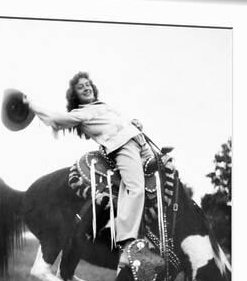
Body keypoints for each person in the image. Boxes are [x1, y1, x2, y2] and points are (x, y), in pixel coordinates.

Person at [26, 71, 153, 267]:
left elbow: (118, 124)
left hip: (142, 145)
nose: (86, 87)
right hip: (123, 147)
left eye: (88, 84)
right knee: (135, 189)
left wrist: (134, 126)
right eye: (80, 87)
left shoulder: (104, 107)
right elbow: (54, 119)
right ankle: (128, 246)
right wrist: (31, 104)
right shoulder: (81, 113)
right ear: (75, 95)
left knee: (160, 187)